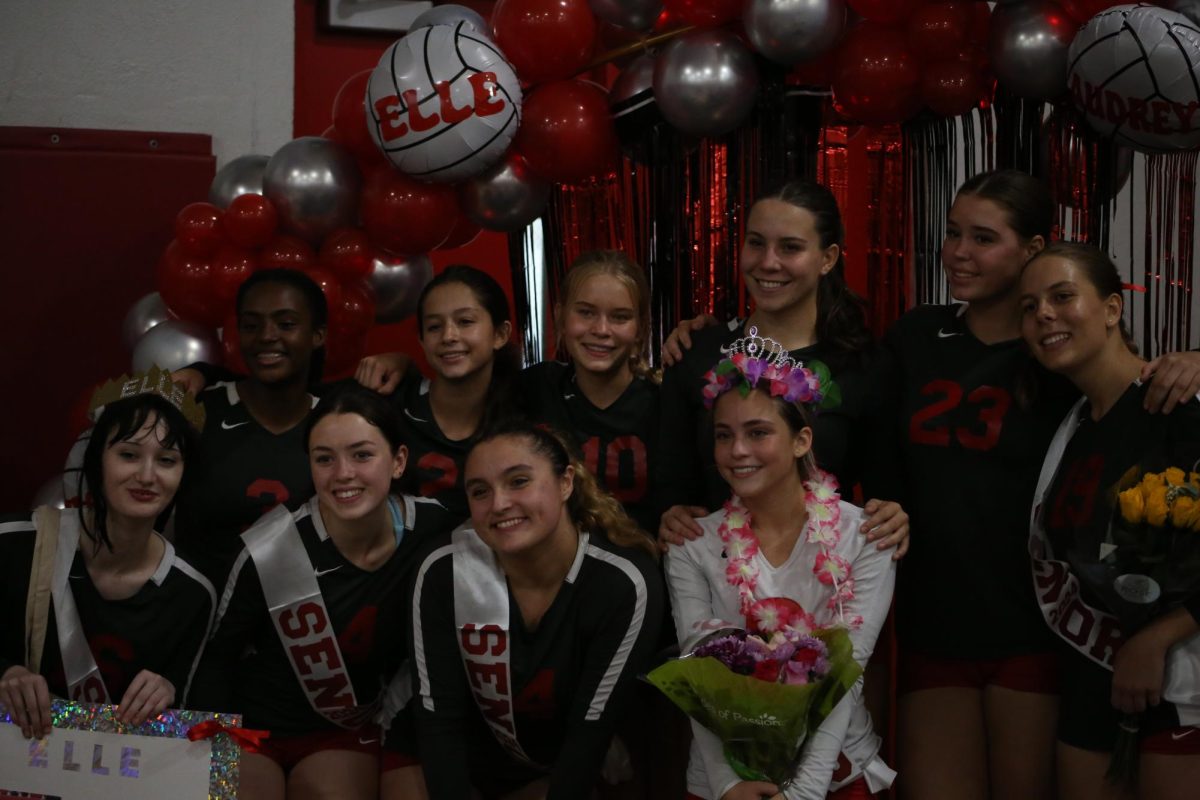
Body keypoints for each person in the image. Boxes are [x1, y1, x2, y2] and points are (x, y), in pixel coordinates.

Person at [873, 170, 1200, 800]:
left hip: (1044, 634)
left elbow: (1134, 386)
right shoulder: (918, 335)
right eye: (952, 234)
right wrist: (714, 340)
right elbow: (839, 396)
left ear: (1030, 248)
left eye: (984, 237)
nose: (960, 252)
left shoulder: (1064, 364)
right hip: (941, 621)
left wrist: (1192, 362)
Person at [189, 385, 456, 800]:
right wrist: (215, 745)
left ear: (399, 461)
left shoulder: (435, 529)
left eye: (362, 455)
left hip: (339, 731)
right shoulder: (270, 549)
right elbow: (216, 660)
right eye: (324, 459)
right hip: (251, 725)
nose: (343, 473)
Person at [665, 332, 896, 800]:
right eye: (724, 436)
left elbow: (844, 677)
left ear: (801, 440)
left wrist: (802, 794)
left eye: (758, 432)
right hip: (721, 783)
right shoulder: (692, 544)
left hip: (835, 775)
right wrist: (728, 785)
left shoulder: (866, 536)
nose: (737, 451)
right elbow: (700, 680)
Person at [1021, 242, 1200, 800]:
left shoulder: (1177, 406)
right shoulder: (1068, 425)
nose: (1043, 314)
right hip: (1090, 680)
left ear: (1113, 310)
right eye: (1028, 306)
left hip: (1179, 681)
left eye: (1063, 296)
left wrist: (1158, 638)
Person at [409, 420, 664, 798]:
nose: (499, 504)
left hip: (569, 765)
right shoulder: (442, 570)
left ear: (566, 483)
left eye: (519, 481)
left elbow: (589, 734)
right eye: (480, 491)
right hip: (470, 761)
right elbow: (439, 724)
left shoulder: (622, 582)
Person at [656, 180, 909, 556]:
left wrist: (892, 515)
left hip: (823, 588)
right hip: (713, 585)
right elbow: (670, 487)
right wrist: (670, 515)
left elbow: (883, 496)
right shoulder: (696, 354)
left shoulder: (864, 366)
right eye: (756, 243)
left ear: (828, 258)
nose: (768, 262)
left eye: (790, 247)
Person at [0, 369, 215, 738]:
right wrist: (4, 671)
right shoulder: (15, 543)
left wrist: (171, 693)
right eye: (129, 455)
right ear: (97, 461)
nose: (147, 477)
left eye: (167, 460)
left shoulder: (192, 593)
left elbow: (194, 733)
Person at [169, 268, 330, 583]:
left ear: (317, 335)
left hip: (305, 619)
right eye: (251, 325)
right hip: (203, 614)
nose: (267, 336)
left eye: (286, 324)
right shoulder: (197, 411)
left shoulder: (338, 418)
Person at [356, 265, 519, 520]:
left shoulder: (529, 403)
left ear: (500, 334)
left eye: (465, 322)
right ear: (421, 340)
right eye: (434, 327)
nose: (448, 336)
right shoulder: (390, 405)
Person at [519, 250, 661, 532]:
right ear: (560, 316)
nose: (601, 329)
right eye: (585, 313)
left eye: (620, 317)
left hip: (648, 562)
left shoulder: (664, 402)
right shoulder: (533, 388)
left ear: (641, 329)